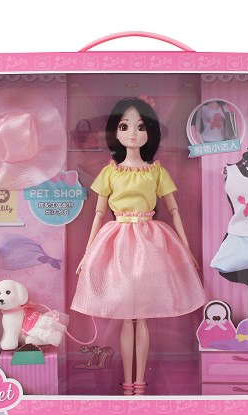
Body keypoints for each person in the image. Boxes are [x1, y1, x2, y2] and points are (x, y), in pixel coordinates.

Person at [71, 97, 206, 395]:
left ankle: (139, 384)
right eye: (124, 126)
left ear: (150, 133)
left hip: (149, 242)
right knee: (125, 317)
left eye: (140, 127)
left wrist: (186, 249)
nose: (132, 133)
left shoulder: (155, 171)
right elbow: (98, 214)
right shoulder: (110, 171)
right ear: (115, 132)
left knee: (141, 316)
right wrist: (87, 253)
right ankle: (126, 384)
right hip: (117, 241)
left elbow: (174, 211)